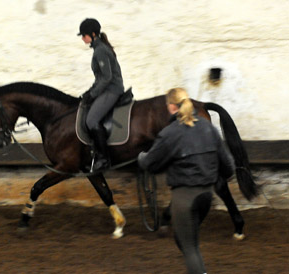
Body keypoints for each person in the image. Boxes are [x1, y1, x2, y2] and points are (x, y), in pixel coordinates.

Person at [138, 88, 235, 274]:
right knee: (186, 240)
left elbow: (151, 163)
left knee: (190, 247)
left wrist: (141, 157)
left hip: (184, 198)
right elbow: (228, 166)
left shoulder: (169, 133)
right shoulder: (208, 128)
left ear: (172, 106)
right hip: (206, 195)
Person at [78, 18, 125, 172]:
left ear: (92, 34)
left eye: (84, 35)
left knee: (91, 120)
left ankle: (104, 158)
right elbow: (99, 79)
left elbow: (106, 78)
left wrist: (92, 94)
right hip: (106, 88)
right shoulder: (99, 48)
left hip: (112, 89)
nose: (82, 38)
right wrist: (89, 92)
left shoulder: (100, 50)